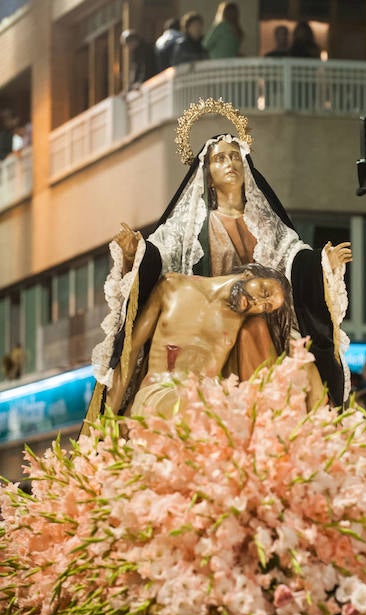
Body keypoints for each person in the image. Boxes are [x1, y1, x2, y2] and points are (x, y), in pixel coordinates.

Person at [91, 111, 352, 413]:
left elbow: (292, 258)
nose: (230, 164)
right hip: (210, 318)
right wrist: (137, 252)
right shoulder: (194, 224)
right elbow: (161, 252)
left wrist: (322, 264)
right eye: (220, 159)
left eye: (235, 157)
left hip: (261, 318)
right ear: (208, 176)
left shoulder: (265, 225)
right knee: (246, 333)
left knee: (291, 355)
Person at [105, 264, 291, 417]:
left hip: (207, 403)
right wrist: (105, 423)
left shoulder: (245, 324)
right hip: (159, 394)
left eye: (265, 307)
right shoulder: (172, 286)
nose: (257, 303)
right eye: (264, 292)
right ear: (248, 274)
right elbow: (129, 353)